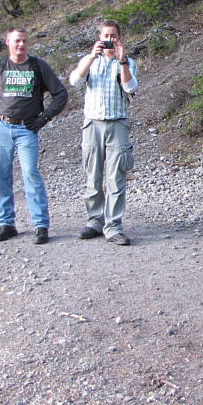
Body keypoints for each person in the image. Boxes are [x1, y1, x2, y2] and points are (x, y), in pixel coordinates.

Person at [0, 27, 68, 244]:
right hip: (1, 128)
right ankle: (6, 223)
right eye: (16, 41)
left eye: (24, 41)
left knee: (31, 173)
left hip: (27, 129)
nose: (21, 45)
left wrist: (44, 118)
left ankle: (40, 225)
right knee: (1, 175)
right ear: (7, 42)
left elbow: (60, 94)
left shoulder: (37, 66)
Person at [69, 19, 137, 246]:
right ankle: (94, 220)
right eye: (105, 36)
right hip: (92, 124)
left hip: (117, 123)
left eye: (113, 36)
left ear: (119, 38)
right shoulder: (90, 61)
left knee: (116, 176)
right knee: (93, 175)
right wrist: (91, 57)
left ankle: (113, 225)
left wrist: (123, 62)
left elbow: (130, 88)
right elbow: (74, 81)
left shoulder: (126, 62)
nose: (109, 40)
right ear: (99, 37)